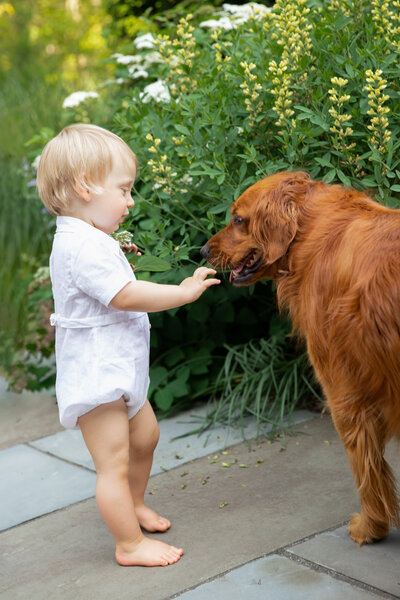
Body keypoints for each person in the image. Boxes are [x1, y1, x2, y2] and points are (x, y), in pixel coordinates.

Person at [36, 123, 220, 567]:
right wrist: (180, 292)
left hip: (118, 367)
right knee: (113, 462)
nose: (130, 200)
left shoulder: (88, 236)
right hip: (98, 376)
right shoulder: (81, 248)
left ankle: (134, 504)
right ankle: (129, 544)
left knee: (147, 437)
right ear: (84, 187)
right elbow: (125, 295)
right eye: (123, 189)